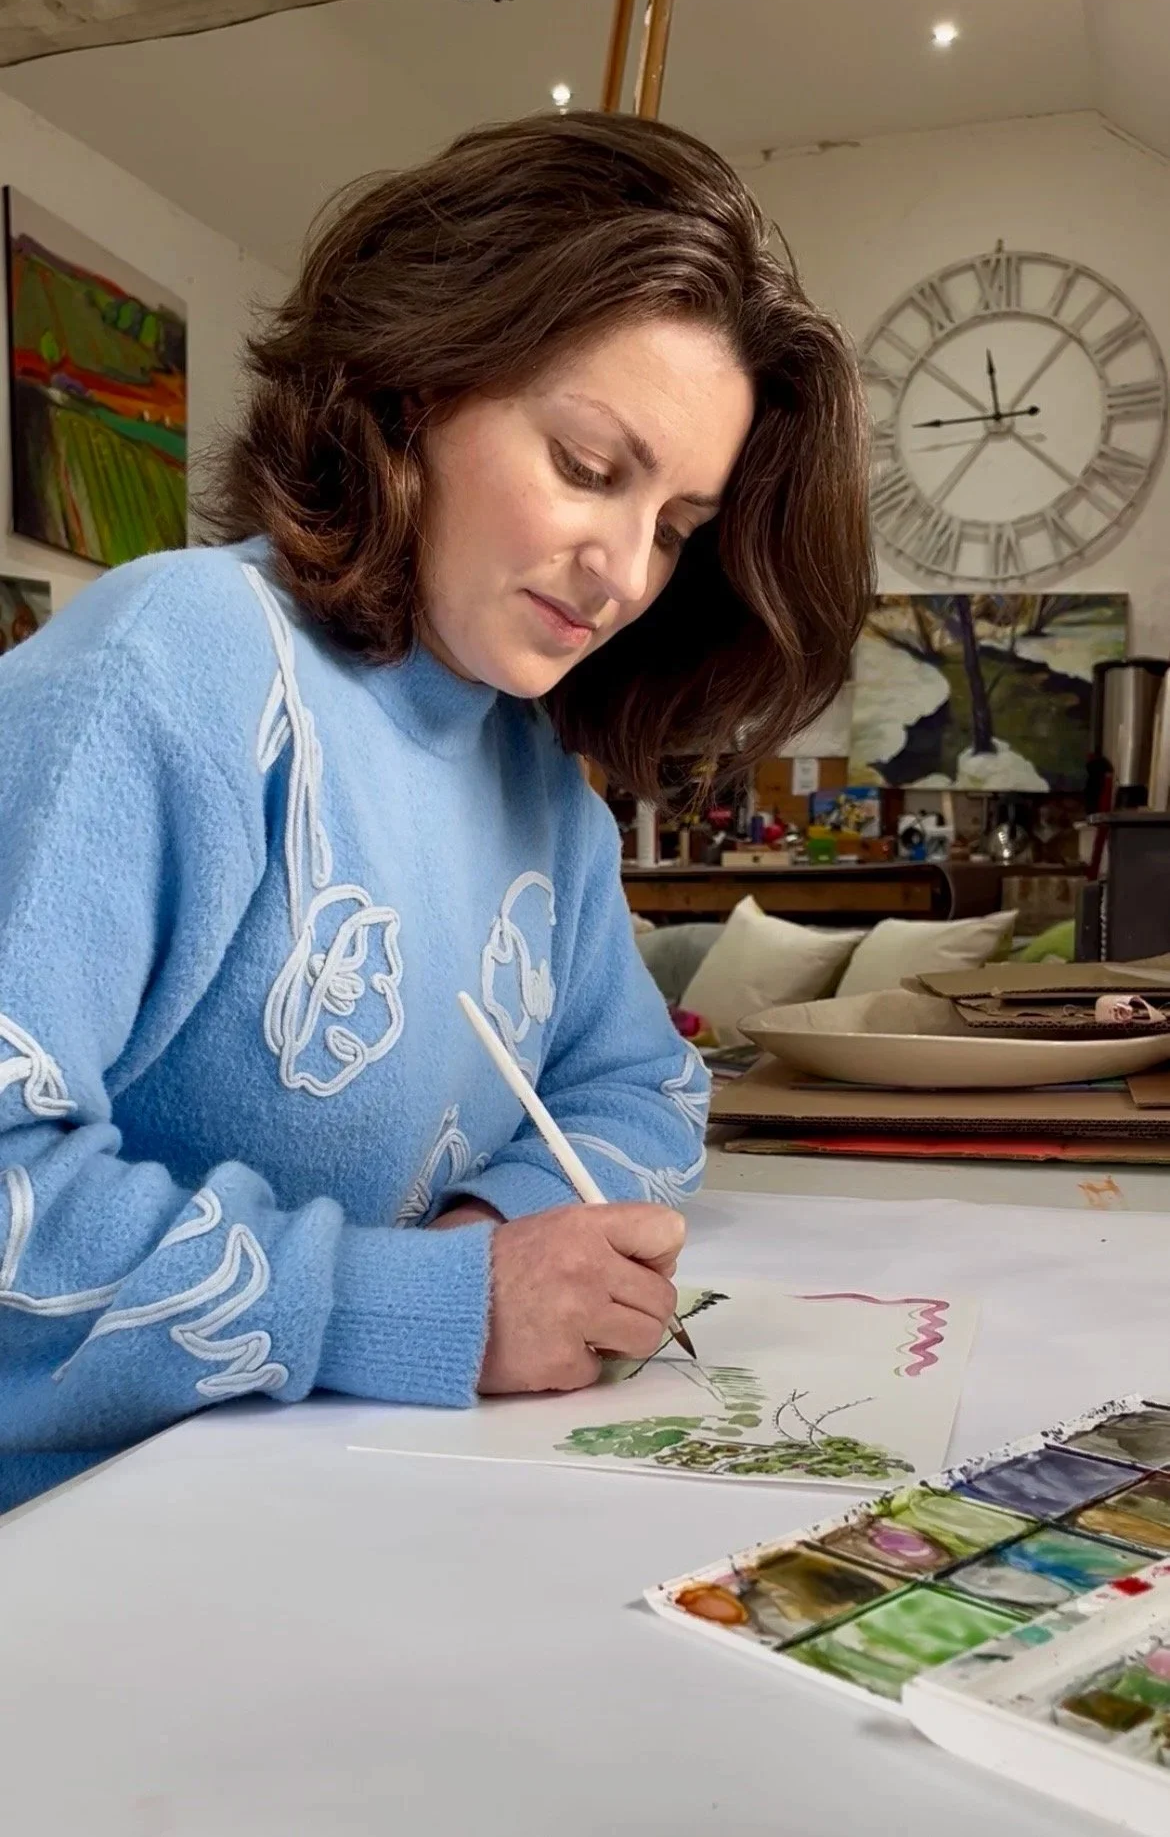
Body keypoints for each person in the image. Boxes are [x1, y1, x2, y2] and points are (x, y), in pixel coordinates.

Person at [0, 111, 871, 1512]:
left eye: (676, 525)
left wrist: (493, 1235)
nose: (625, 572)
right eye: (590, 467)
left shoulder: (537, 776)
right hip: (78, 1557)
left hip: (355, 1502)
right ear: (415, 388)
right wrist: (420, 1304)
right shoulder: (176, 664)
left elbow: (640, 1086)